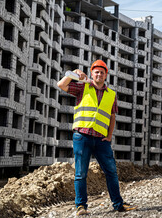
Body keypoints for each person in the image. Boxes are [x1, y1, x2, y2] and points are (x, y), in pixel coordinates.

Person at [57, 60, 137, 216]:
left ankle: (118, 204)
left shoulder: (111, 94)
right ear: (92, 73)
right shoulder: (82, 87)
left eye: (102, 72)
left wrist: (109, 135)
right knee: (81, 173)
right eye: (96, 72)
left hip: (101, 140)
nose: (99, 74)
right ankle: (81, 206)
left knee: (111, 172)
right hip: (82, 137)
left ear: (106, 75)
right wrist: (74, 73)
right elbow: (61, 84)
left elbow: (112, 116)